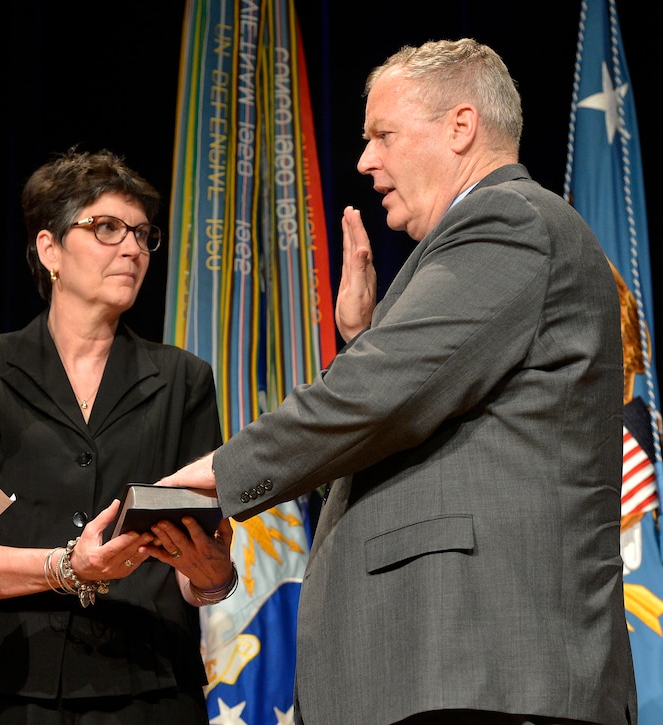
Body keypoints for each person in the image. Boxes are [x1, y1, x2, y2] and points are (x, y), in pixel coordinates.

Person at [158, 38, 637, 725]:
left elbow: (383, 395)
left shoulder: (510, 221)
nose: (364, 161)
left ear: (461, 127)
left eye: (382, 134)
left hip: (482, 677)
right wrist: (365, 337)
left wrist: (213, 477)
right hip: (441, 677)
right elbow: (428, 405)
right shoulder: (481, 242)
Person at [0, 148, 234, 724]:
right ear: (50, 251)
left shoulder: (184, 379)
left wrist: (212, 576)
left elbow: (204, 566)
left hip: (147, 688)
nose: (132, 249)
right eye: (107, 228)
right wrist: (68, 566)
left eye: (143, 235)